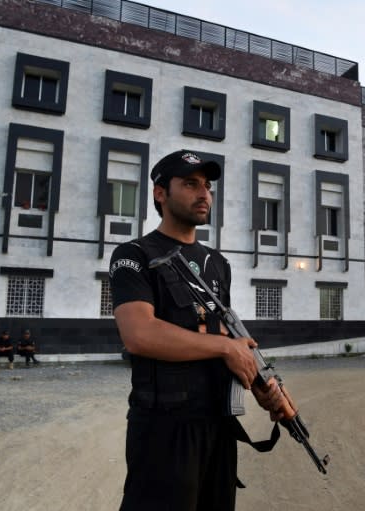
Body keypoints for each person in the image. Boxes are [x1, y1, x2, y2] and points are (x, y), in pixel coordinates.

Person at [110, 149, 284, 510]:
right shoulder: (134, 254)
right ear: (160, 193)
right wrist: (224, 348)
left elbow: (229, 336)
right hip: (164, 428)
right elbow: (138, 334)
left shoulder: (217, 263)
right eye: (190, 184)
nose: (204, 193)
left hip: (218, 423)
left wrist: (261, 386)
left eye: (207, 186)